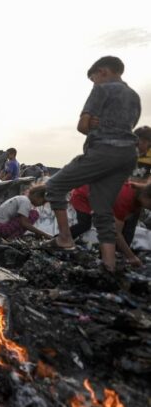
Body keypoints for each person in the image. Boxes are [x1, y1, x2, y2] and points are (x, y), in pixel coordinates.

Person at [46, 56, 141, 273]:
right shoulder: (134, 96)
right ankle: (109, 265)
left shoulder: (102, 89)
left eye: (93, 78)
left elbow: (82, 126)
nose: (94, 83)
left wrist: (92, 124)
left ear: (103, 71)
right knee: (102, 209)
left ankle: (64, 237)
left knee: (54, 186)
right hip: (128, 155)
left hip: (104, 151)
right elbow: (126, 127)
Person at [71, 182, 151, 267]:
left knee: (129, 227)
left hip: (107, 195)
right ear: (147, 197)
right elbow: (116, 233)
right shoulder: (124, 200)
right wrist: (131, 257)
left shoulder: (142, 192)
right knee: (84, 225)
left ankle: (119, 255)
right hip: (83, 195)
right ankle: (62, 239)